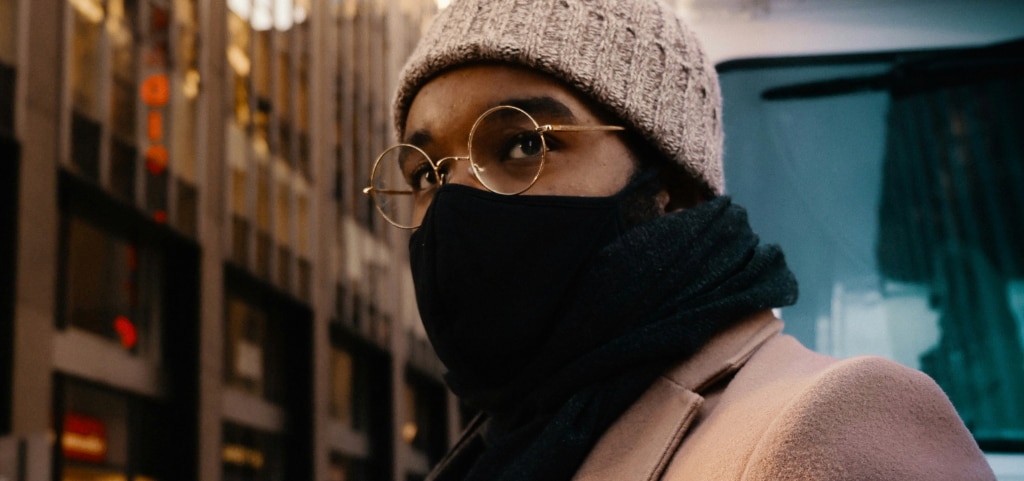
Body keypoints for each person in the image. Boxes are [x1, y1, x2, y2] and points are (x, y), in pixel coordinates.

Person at [361, 0, 997, 479]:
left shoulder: (832, 423)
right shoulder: (495, 447)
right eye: (425, 173)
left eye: (525, 144)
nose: (455, 201)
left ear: (673, 184)